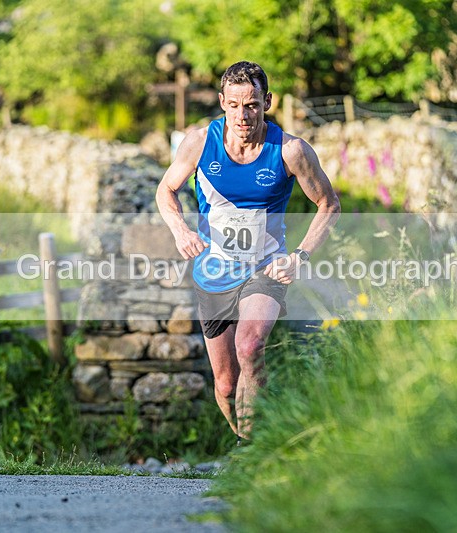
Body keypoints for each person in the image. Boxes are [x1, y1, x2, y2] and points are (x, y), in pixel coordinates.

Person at [155, 61, 340, 444]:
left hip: (265, 268)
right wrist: (180, 230)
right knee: (224, 384)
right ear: (222, 102)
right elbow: (165, 190)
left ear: (267, 102)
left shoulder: (290, 151)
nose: (243, 115)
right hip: (213, 272)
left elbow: (329, 204)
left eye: (253, 104)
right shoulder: (200, 142)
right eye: (235, 104)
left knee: (251, 345)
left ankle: (250, 448)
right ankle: (248, 439)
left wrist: (300, 255)